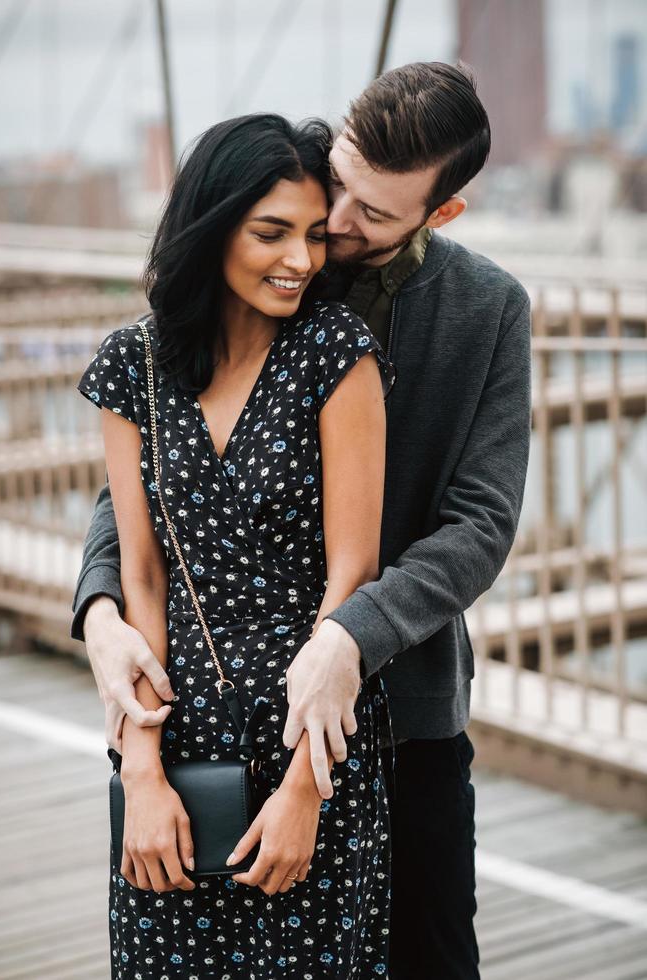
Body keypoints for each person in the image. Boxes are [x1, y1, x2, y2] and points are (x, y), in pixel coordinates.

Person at [72, 62, 532, 980]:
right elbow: (162, 474)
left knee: (433, 956)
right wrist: (98, 612)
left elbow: (480, 525)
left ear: (441, 217)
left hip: (404, 715)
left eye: (373, 213)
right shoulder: (279, 263)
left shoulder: (486, 311)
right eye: (342, 181)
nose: (339, 226)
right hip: (211, 715)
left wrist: (350, 639)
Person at [75, 112, 396, 979]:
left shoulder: (337, 354)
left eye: (313, 236)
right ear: (211, 226)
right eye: (270, 233)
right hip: (176, 753)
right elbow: (139, 576)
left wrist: (305, 790)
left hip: (313, 744)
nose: (300, 258)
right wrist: (139, 772)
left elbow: (353, 575)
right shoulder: (131, 368)